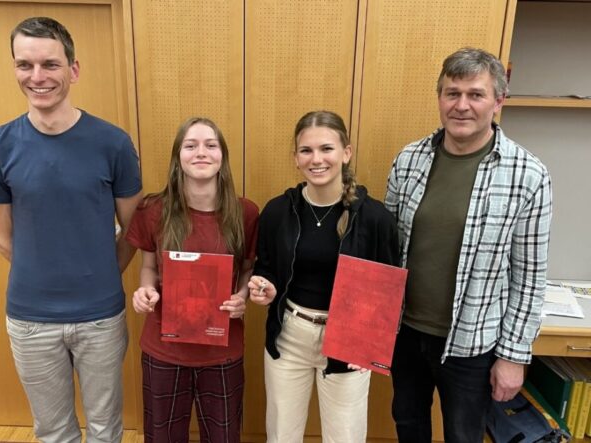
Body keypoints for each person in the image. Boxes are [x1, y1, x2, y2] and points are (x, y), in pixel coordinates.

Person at [0, 16, 142, 443]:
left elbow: (133, 230)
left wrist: (100, 275)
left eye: (50, 64)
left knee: (105, 429)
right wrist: (45, 276)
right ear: (15, 69)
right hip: (31, 319)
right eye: (25, 65)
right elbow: (2, 237)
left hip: (101, 317)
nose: (37, 76)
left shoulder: (113, 143)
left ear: (73, 69)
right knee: (53, 432)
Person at [386, 47, 553, 442]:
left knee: (464, 436)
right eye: (452, 93)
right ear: (440, 97)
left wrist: (513, 357)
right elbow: (386, 249)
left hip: (473, 343)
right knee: (408, 426)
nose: (461, 105)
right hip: (405, 333)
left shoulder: (528, 175)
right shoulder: (409, 160)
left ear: (498, 101)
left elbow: (529, 277)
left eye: (475, 94)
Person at [248, 110, 399, 443]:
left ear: (346, 153)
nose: (316, 159)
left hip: (349, 341)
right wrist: (264, 285)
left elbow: (389, 290)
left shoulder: (375, 218)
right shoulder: (277, 211)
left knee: (345, 437)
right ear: (296, 158)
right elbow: (266, 267)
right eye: (306, 150)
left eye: (326, 148)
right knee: (281, 435)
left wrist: (370, 345)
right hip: (289, 336)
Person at [127, 117, 259, 443]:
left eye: (211, 145)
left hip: (222, 351)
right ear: (178, 156)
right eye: (191, 145)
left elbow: (247, 269)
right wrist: (145, 290)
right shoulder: (153, 210)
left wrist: (242, 296)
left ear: (222, 156)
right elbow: (148, 267)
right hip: (164, 350)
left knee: (223, 437)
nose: (201, 152)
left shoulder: (245, 212)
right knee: (163, 437)